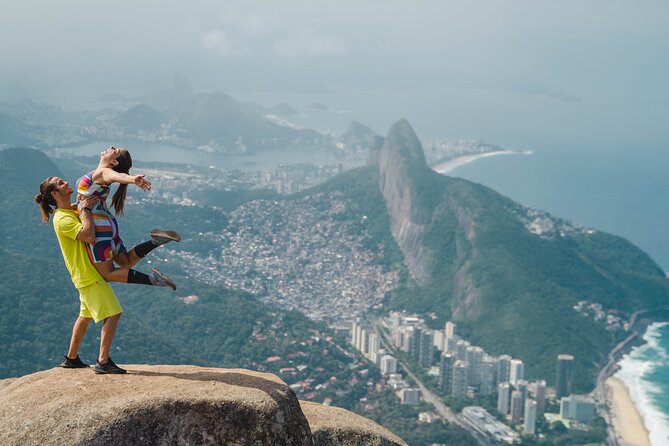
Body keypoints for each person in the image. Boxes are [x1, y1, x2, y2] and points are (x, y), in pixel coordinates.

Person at [35, 176, 127, 374]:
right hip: (87, 274)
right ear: (54, 194)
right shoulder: (62, 219)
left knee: (85, 315)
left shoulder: (71, 210)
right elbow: (89, 236)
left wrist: (84, 204)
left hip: (84, 274)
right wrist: (85, 209)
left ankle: (71, 358)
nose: (66, 183)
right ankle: (103, 361)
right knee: (113, 313)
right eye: (61, 184)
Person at [75, 146, 179, 290]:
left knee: (108, 274)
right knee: (126, 261)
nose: (111, 148)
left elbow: (118, 176)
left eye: (115, 151)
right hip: (108, 225)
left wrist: (132, 179)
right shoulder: (101, 173)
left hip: (98, 228)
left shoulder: (103, 172)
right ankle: (156, 241)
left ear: (114, 163)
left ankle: (154, 281)